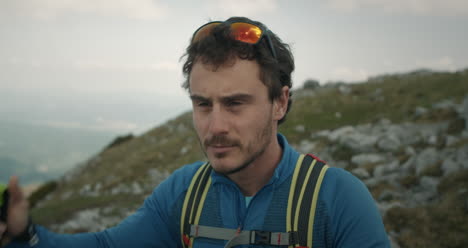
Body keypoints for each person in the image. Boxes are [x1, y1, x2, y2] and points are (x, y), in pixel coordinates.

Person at [0, 16, 390, 247]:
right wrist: (24, 232)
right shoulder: (185, 192)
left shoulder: (336, 200)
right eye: (203, 104)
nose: (215, 126)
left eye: (235, 103)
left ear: (281, 103)